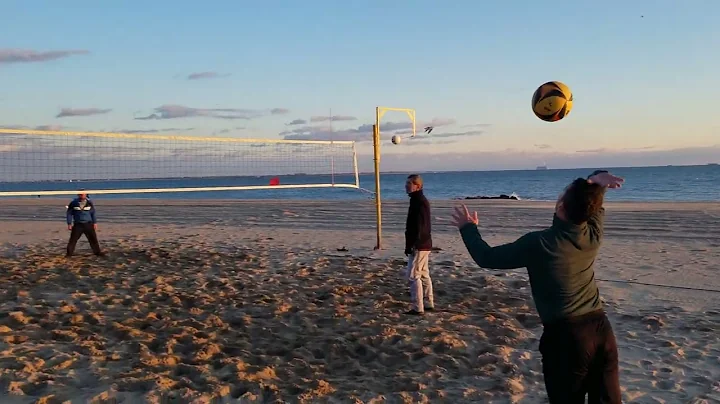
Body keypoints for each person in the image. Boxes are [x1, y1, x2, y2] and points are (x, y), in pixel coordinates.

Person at [450, 170, 624, 403]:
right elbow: (592, 203)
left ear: (561, 206)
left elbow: (487, 257)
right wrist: (597, 183)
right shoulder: (593, 234)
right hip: (602, 330)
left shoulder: (540, 243)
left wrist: (468, 228)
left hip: (566, 336)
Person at [404, 174, 435, 315]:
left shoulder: (420, 201)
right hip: (422, 243)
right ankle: (428, 303)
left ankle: (418, 307)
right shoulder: (416, 200)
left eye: (409, 183)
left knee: (413, 275)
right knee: (423, 274)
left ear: (418, 186)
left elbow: (420, 226)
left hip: (420, 244)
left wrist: (414, 244)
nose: (406, 186)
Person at [66, 191, 103, 257]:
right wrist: (69, 223)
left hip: (88, 224)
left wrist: (95, 223)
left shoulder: (89, 203)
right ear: (78, 195)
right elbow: (69, 213)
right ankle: (69, 254)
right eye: (80, 194)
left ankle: (97, 252)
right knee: (73, 240)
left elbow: (93, 213)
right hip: (78, 225)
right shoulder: (73, 203)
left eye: (83, 194)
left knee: (93, 239)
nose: (82, 195)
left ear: (86, 195)